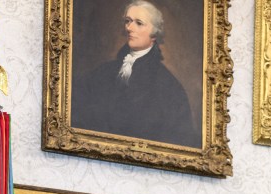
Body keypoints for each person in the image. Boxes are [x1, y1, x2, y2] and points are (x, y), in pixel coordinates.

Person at [71, 0, 198, 147]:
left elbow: (179, 141)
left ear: (154, 34)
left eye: (139, 23)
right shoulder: (104, 71)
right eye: (128, 21)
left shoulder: (169, 87)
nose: (129, 28)